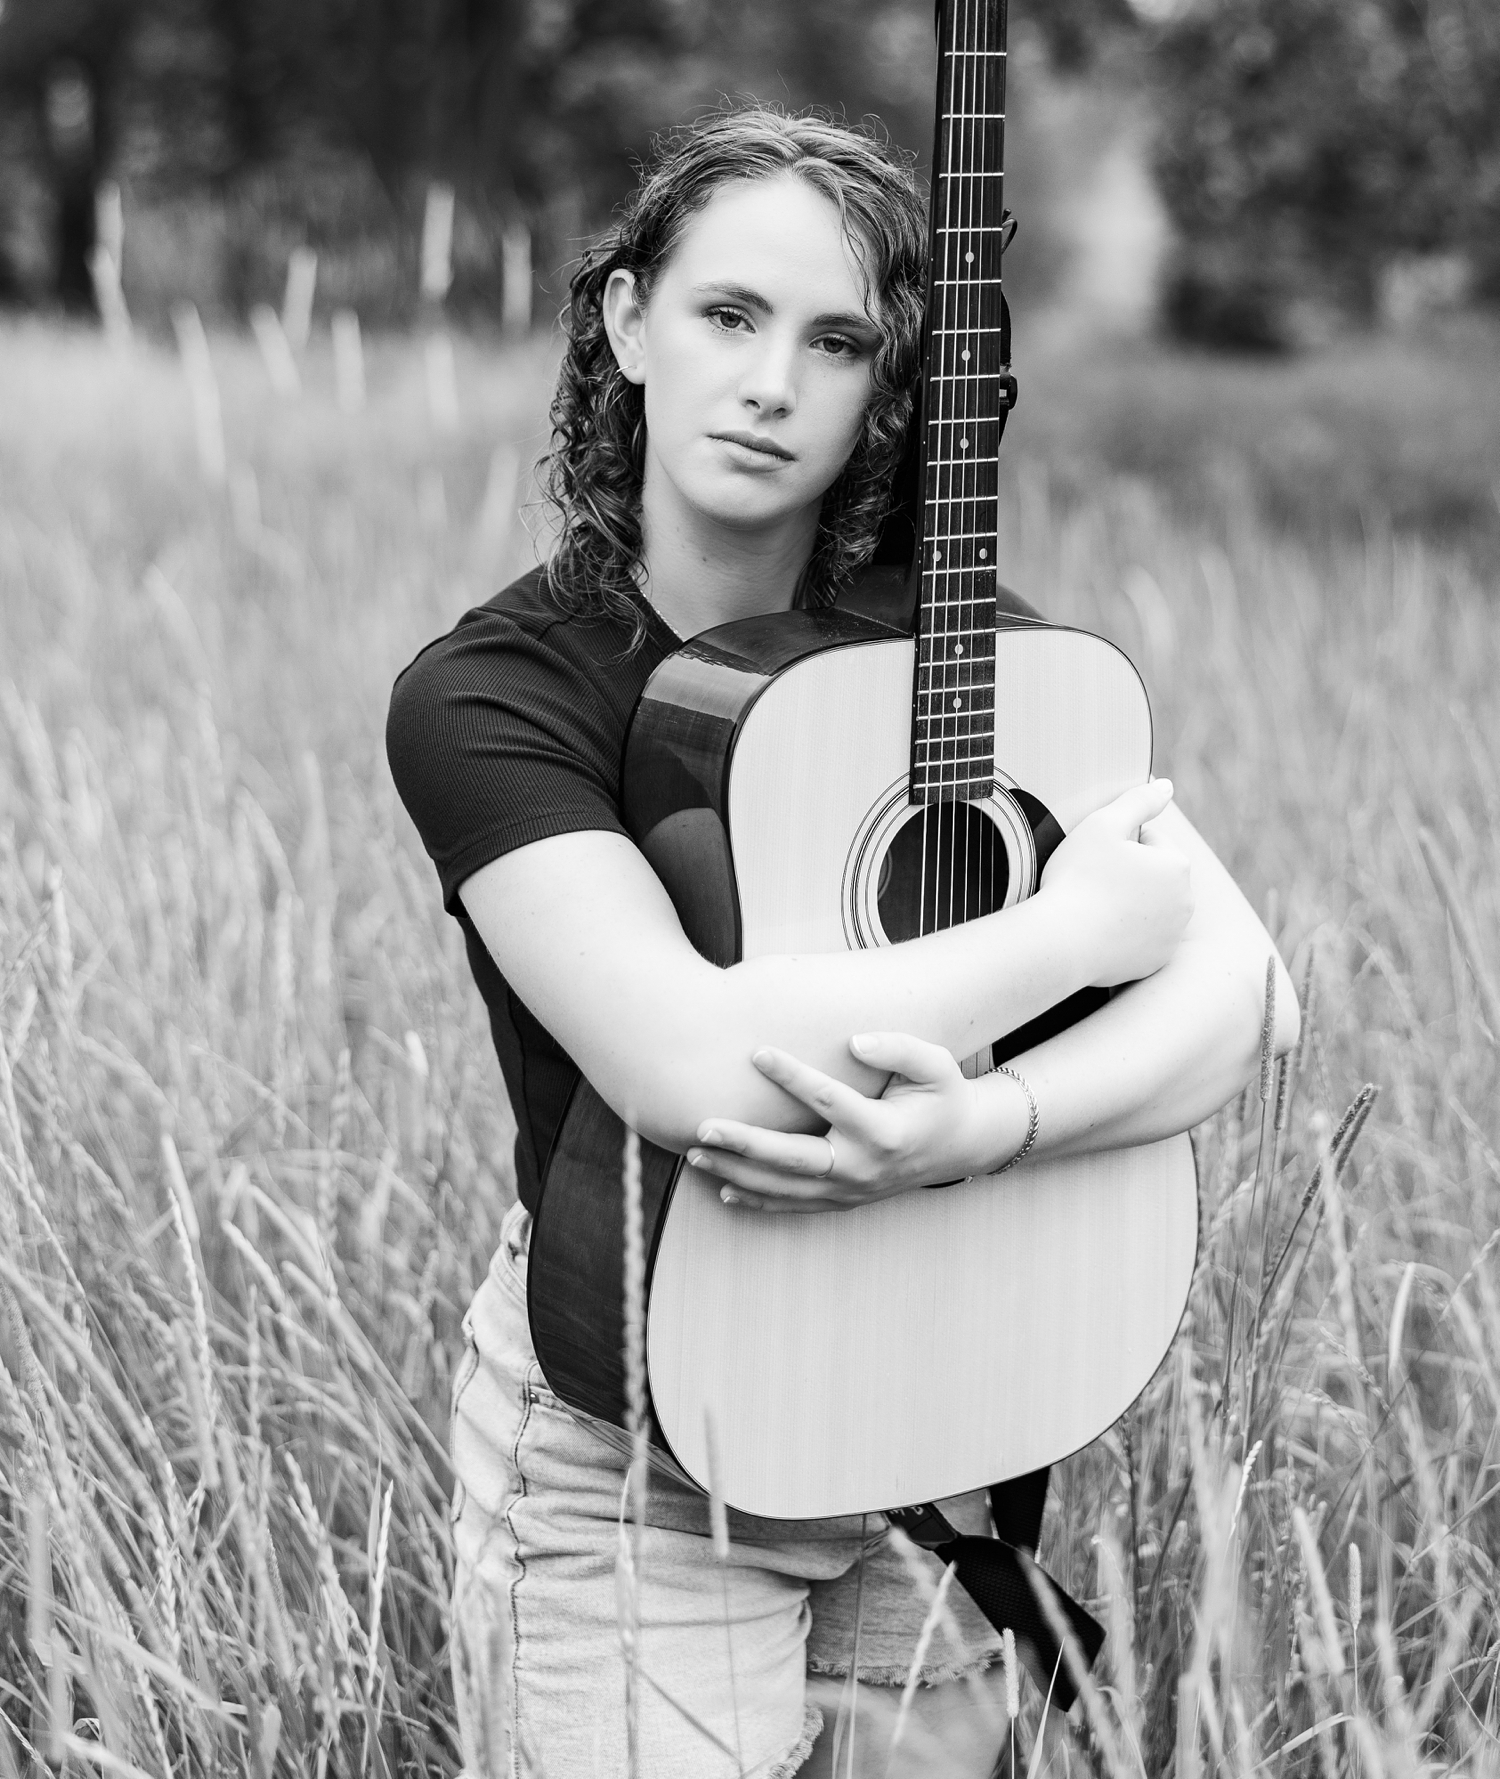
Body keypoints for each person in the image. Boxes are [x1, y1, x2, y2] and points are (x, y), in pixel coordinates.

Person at [386, 108, 1299, 1779]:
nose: (769, 383)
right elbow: (684, 1058)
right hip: (640, 1460)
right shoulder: (496, 692)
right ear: (627, 321)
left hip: (908, 1445)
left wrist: (985, 1122)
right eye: (729, 316)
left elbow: (1246, 991)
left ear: (889, 385)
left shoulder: (954, 652)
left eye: (836, 342)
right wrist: (1068, 939)